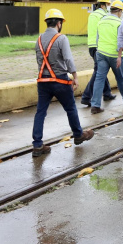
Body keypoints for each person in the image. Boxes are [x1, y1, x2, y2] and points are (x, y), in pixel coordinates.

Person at [32, 9, 95, 157]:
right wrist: (75, 76)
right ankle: (78, 135)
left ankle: (37, 145)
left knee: (40, 112)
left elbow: (39, 60)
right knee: (70, 108)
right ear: (59, 23)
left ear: (47, 22)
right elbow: (68, 59)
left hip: (43, 81)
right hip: (60, 80)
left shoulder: (39, 40)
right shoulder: (61, 39)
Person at [90, 0, 123, 113]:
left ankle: (95, 105)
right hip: (115, 55)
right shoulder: (120, 22)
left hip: (101, 53)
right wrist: (119, 55)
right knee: (121, 78)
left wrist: (99, 51)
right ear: (119, 11)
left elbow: (97, 38)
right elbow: (122, 42)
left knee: (99, 79)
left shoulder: (101, 21)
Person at [81, 0, 116, 106]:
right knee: (98, 72)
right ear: (103, 5)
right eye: (108, 4)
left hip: (91, 45)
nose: (109, 6)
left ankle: (107, 93)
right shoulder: (104, 15)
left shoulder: (93, 14)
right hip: (99, 46)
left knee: (102, 69)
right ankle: (86, 97)